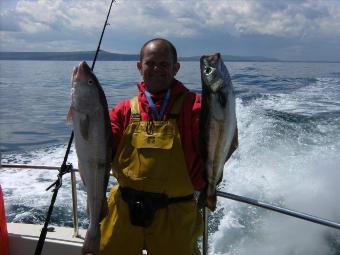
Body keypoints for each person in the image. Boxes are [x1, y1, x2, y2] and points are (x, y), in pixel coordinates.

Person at [100, 38, 206, 255]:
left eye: (164, 64)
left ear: (176, 68)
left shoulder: (197, 107)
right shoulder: (123, 111)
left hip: (175, 215)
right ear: (140, 67)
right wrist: (86, 118)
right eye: (150, 63)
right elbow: (102, 151)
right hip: (123, 212)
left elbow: (220, 145)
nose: (156, 69)